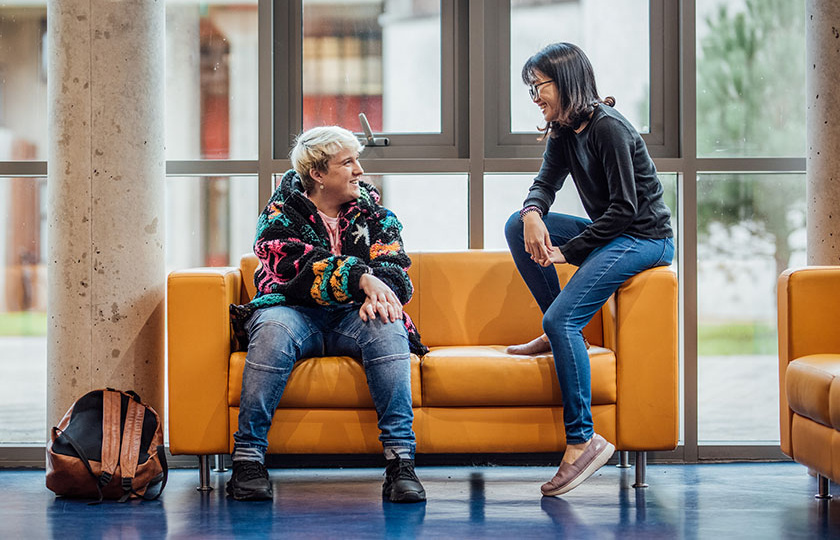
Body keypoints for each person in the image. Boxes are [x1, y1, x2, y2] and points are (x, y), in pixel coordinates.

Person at [504, 43, 674, 496]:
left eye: (538, 86)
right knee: (513, 226)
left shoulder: (609, 128)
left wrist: (569, 251)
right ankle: (558, 327)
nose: (535, 96)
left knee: (562, 320)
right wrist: (533, 213)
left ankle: (583, 442)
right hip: (615, 231)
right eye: (530, 88)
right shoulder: (564, 129)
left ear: (566, 81)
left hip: (644, 237)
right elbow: (545, 183)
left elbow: (625, 209)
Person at [227, 125, 427, 503]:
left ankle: (401, 463)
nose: (359, 170)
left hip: (353, 316)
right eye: (347, 162)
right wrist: (362, 278)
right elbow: (295, 271)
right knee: (270, 331)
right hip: (291, 310)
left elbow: (395, 267)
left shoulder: (376, 215)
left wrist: (377, 291)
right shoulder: (280, 214)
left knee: (388, 323)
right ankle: (247, 461)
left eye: (357, 161)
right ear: (317, 174)